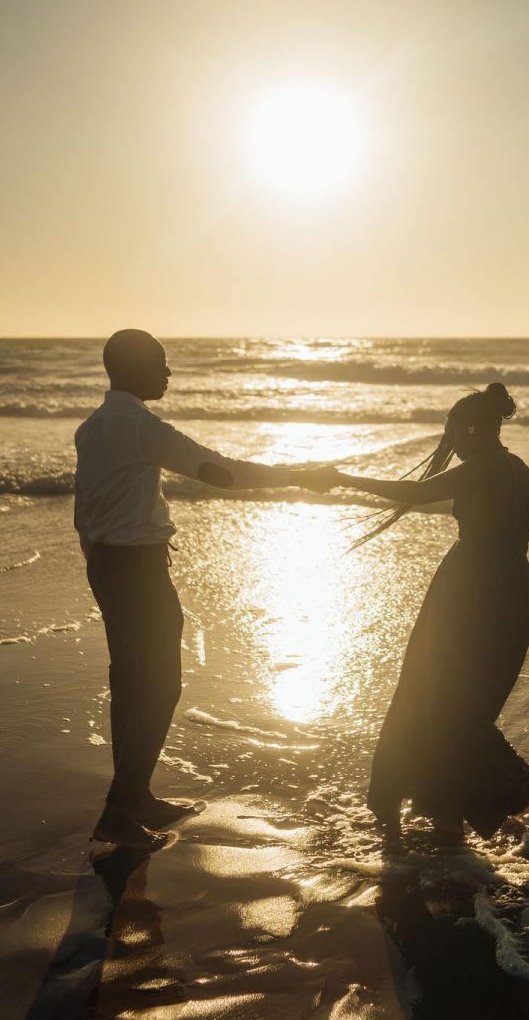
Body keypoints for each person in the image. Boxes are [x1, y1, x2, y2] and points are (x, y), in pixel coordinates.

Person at [74, 329, 329, 850]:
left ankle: (135, 797)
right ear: (134, 366)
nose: (168, 372)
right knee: (160, 686)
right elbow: (222, 473)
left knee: (130, 682)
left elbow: (87, 508)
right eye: (160, 362)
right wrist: (300, 475)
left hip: (105, 563)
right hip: (137, 570)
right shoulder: (142, 427)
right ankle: (119, 813)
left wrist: (99, 559)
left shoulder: (92, 427)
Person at [323, 382, 529, 845]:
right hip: (514, 592)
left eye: (452, 432)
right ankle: (449, 812)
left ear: (471, 429)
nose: (450, 443)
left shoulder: (481, 467)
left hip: (469, 590)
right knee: (466, 705)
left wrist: (345, 478)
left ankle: (485, 794)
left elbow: (414, 491)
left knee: (430, 695)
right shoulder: (519, 469)